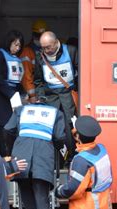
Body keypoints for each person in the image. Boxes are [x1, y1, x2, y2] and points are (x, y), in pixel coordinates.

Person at [4, 101, 66, 209]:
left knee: (25, 192)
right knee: (42, 198)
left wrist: (12, 148)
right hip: (43, 157)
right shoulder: (56, 113)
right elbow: (59, 137)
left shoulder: (21, 110)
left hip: (21, 155)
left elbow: (8, 129)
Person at [34, 31, 78, 163]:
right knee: (52, 129)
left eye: (48, 47)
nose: (46, 50)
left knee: (71, 127)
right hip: (51, 98)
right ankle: (57, 160)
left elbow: (81, 73)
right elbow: (38, 81)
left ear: (56, 42)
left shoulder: (71, 51)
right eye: (43, 47)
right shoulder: (40, 57)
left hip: (68, 95)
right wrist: (41, 97)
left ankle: (71, 158)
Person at [0, 30, 25, 156]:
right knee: (3, 126)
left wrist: (24, 94)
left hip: (14, 96)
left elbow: (18, 80)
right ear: (9, 42)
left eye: (19, 45)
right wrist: (11, 94)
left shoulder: (17, 59)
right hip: (2, 96)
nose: (17, 48)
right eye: (15, 44)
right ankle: (5, 154)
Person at [20, 19, 48, 103]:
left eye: (41, 36)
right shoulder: (27, 51)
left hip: (46, 92)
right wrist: (32, 95)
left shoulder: (47, 51)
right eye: (37, 35)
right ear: (33, 35)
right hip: (34, 95)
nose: (39, 38)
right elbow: (26, 76)